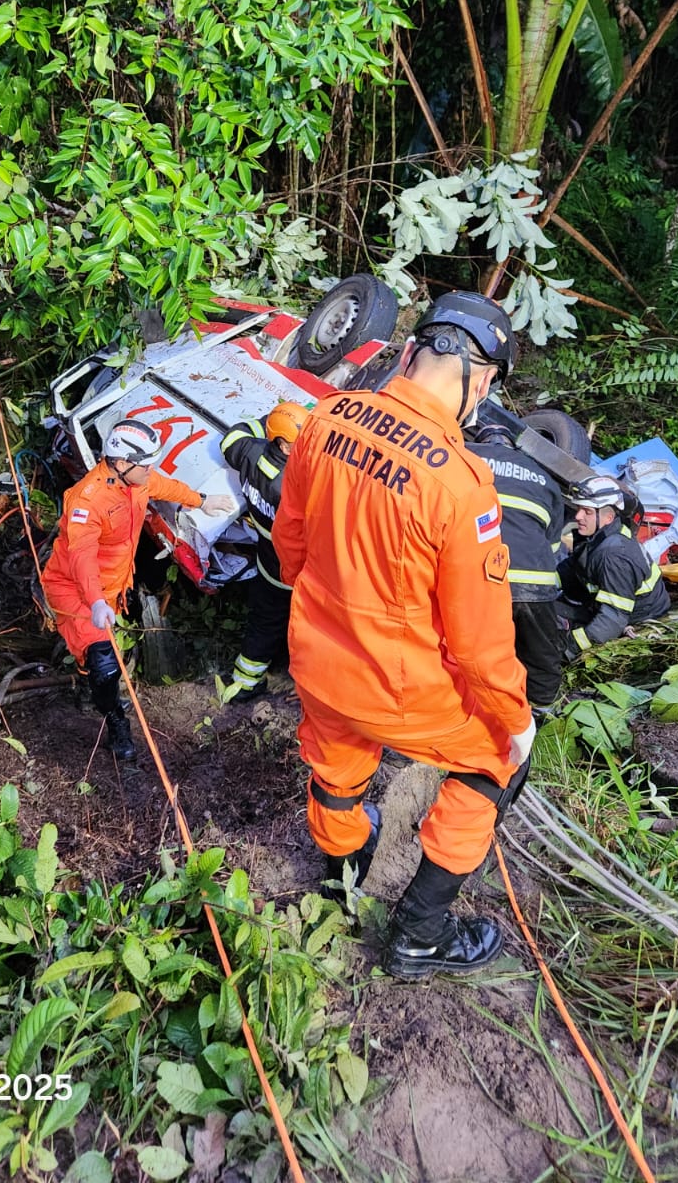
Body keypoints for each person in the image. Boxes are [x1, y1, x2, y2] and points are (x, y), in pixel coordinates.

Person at [273, 291, 535, 980]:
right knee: (494, 762)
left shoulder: (326, 418)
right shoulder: (461, 482)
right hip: (399, 687)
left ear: (415, 349)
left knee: (337, 769)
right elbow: (479, 647)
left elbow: (291, 548)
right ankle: (420, 934)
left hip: (319, 661)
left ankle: (340, 878)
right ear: (480, 379)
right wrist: (515, 718)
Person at [40, 419, 236, 760]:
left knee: (97, 653)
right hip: (76, 589)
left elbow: (164, 486)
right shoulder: (88, 501)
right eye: (145, 464)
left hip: (112, 583)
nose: (151, 470)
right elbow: (81, 558)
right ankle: (114, 717)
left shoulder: (137, 479)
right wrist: (96, 601)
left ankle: (89, 675)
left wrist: (200, 500)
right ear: (120, 462)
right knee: (104, 663)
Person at [466, 420, 569, 717]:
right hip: (534, 584)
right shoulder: (543, 477)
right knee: (540, 654)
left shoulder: (467, 456)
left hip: (480, 579)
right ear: (513, 446)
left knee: (465, 649)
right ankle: (541, 713)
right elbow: (551, 546)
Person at [218, 400, 309, 703]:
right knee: (303, 626)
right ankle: (305, 682)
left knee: (264, 620)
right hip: (295, 570)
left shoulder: (250, 453)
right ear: (284, 446)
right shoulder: (292, 487)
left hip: (267, 561)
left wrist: (272, 421)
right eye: (301, 442)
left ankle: (244, 683)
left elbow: (231, 438)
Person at [558, 474, 670, 652]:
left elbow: (613, 618)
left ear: (608, 518)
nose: (578, 516)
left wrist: (567, 650)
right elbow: (573, 568)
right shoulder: (598, 536)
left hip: (635, 619)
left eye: (587, 512)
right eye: (579, 508)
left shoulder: (613, 555)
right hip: (603, 606)